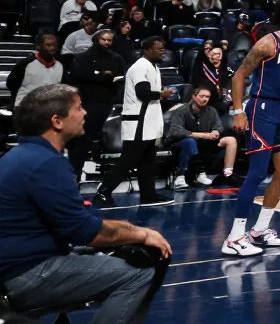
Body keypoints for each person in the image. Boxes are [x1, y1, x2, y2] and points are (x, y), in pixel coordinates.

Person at [0, 84, 172, 324]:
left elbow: (80, 218)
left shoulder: (23, 156)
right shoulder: (46, 163)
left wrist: (128, 231)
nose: (84, 113)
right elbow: (86, 232)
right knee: (138, 275)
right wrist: (142, 234)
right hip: (23, 274)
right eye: (78, 108)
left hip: (17, 264)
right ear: (57, 121)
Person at [224, 1, 280, 256]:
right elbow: (238, 76)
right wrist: (238, 111)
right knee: (258, 171)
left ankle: (259, 230)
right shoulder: (267, 44)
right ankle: (234, 237)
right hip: (261, 109)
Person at [95, 37, 174, 207]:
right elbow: (142, 93)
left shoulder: (153, 66)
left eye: (163, 49)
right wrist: (162, 94)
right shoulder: (139, 67)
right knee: (128, 161)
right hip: (138, 122)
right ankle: (103, 192)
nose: (163, 52)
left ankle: (148, 194)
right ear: (147, 50)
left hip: (149, 122)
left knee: (147, 161)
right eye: (159, 49)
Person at [68, 28, 125, 178]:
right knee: (82, 142)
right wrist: (101, 76)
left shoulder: (116, 58)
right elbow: (77, 77)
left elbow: (121, 78)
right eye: (104, 39)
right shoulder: (82, 57)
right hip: (87, 103)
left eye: (109, 40)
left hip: (108, 102)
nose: (106, 43)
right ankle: (74, 177)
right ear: (96, 39)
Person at [164, 86, 237, 189]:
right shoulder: (182, 110)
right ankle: (180, 176)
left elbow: (218, 126)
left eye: (207, 97)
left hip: (204, 141)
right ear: (194, 97)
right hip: (180, 142)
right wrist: (201, 135)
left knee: (230, 140)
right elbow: (176, 130)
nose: (205, 99)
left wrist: (215, 132)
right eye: (202, 96)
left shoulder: (211, 111)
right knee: (191, 142)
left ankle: (227, 174)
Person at [6, 33, 65, 104]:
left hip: (49, 107)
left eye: (54, 45)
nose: (52, 48)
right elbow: (11, 84)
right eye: (48, 45)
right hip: (25, 106)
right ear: (38, 46)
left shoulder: (60, 66)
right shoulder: (25, 63)